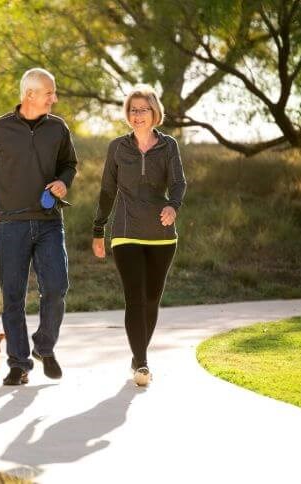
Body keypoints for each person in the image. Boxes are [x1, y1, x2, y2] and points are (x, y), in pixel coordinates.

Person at [0, 68, 78, 385]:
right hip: (11, 225)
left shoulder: (58, 129)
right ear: (30, 94)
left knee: (56, 288)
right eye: (49, 93)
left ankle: (44, 347)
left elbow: (69, 164)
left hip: (48, 223)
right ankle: (19, 363)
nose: (54, 98)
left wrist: (62, 181)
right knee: (13, 296)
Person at [92, 85, 187, 386]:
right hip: (126, 232)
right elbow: (107, 190)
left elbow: (179, 183)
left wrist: (173, 206)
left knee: (151, 299)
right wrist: (99, 229)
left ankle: (138, 353)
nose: (137, 115)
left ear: (154, 112)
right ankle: (142, 364)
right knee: (134, 297)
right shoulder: (118, 147)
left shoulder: (168, 145)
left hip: (161, 235)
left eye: (142, 109)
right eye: (132, 110)